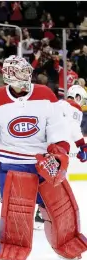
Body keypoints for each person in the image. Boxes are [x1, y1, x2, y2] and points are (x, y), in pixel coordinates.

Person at [0, 55, 87, 260]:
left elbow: (57, 129)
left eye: (27, 71)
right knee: (17, 212)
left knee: (60, 207)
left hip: (44, 162)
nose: (27, 75)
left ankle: (67, 242)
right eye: (22, 72)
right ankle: (14, 247)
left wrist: (60, 150)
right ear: (10, 76)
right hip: (11, 163)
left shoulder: (45, 94)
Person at [35, 84, 87, 229]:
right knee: (57, 181)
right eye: (82, 100)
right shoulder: (73, 107)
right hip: (56, 149)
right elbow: (73, 128)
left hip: (44, 146)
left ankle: (42, 213)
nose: (82, 104)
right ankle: (44, 215)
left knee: (48, 180)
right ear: (77, 97)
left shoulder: (58, 104)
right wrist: (83, 145)